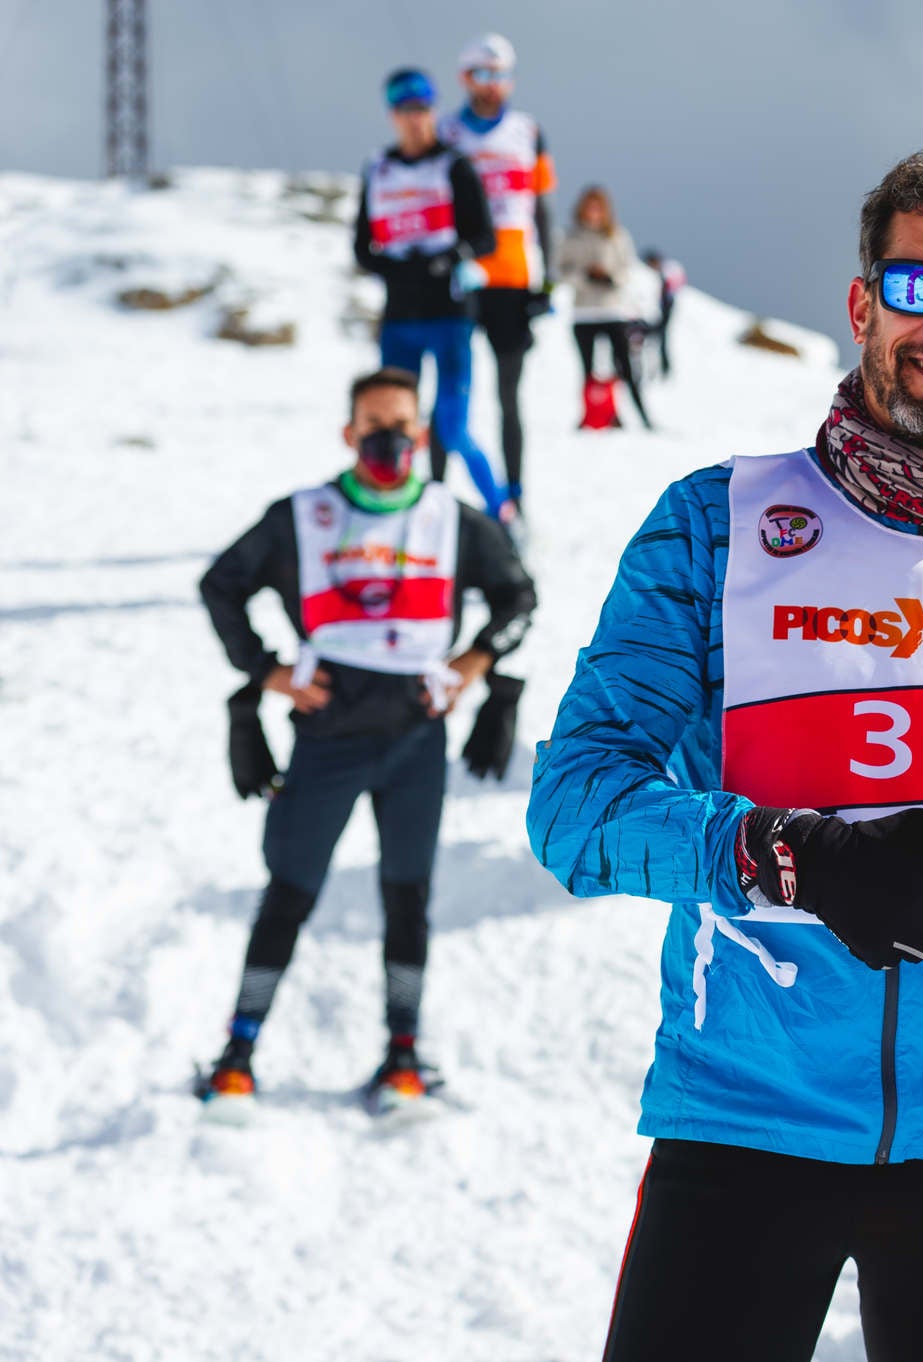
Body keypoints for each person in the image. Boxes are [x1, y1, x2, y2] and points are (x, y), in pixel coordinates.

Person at [527, 142, 923, 1362]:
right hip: (743, 1121)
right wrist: (793, 856)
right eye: (919, 283)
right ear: (862, 300)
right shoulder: (713, 525)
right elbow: (576, 805)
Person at [196, 368, 536, 1112]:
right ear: (350, 434)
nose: (389, 438)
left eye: (402, 425)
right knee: (290, 891)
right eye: (373, 425)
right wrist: (267, 671)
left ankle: (404, 1054)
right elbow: (220, 584)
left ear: (420, 434)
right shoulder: (305, 515)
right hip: (329, 735)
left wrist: (474, 663)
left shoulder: (452, 517)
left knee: (407, 894)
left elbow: (519, 596)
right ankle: (237, 1053)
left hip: (416, 736)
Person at [353, 68, 509, 521]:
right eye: (405, 111)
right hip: (401, 319)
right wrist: (395, 268)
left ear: (434, 112)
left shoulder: (454, 165)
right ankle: (394, 516)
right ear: (392, 116)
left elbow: (485, 237)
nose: (415, 120)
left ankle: (503, 513)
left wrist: (449, 257)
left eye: (422, 110)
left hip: (450, 316)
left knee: (452, 427)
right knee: (391, 429)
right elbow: (362, 247)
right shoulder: (378, 169)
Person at [439, 32, 555, 518]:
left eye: (501, 75)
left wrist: (546, 281)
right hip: (464, 278)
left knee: (510, 395)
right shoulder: (446, 132)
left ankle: (517, 495)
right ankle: (435, 492)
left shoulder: (528, 131)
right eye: (483, 75)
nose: (493, 85)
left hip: (513, 279)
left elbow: (541, 208)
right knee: (448, 395)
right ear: (465, 78)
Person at [559, 185, 655, 431]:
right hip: (584, 311)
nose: (593, 212)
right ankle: (591, 416)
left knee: (624, 367)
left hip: (614, 310)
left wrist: (610, 278)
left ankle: (639, 416)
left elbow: (628, 270)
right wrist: (584, 276)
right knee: (587, 371)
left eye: (598, 207)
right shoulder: (571, 237)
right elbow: (561, 271)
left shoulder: (617, 236)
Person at [643, 247, 687, 379]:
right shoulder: (659, 275)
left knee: (661, 338)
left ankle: (664, 369)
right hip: (657, 310)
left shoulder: (665, 274)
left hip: (663, 309)